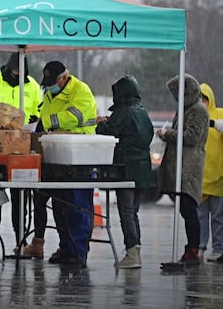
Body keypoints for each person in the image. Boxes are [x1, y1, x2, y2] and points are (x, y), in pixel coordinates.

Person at [0, 52, 44, 258]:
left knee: (21, 198)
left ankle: (21, 240)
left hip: (21, 146)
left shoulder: (32, 85)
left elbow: (39, 109)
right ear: (7, 68)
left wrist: (34, 117)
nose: (17, 75)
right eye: (15, 71)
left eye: (21, 72)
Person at [39, 61, 97, 265]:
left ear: (63, 78)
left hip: (80, 157)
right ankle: (66, 248)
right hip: (59, 156)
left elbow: (74, 117)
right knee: (61, 206)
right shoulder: (49, 94)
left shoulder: (80, 91)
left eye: (53, 82)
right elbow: (44, 117)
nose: (49, 86)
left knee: (77, 206)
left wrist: (48, 123)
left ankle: (78, 252)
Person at [95, 76, 153, 269]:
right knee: (133, 212)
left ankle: (131, 253)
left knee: (126, 212)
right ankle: (135, 251)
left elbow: (108, 131)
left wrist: (100, 123)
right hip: (143, 170)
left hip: (126, 168)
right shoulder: (143, 112)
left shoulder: (124, 112)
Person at [156, 74, 208, 265]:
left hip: (189, 166)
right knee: (186, 209)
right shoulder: (185, 108)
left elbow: (192, 137)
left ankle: (193, 249)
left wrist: (167, 134)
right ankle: (191, 248)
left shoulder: (198, 110)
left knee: (189, 207)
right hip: (182, 165)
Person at [197, 83, 223, 261]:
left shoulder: (219, 114)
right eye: (199, 98)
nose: (202, 102)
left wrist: (212, 123)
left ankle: (218, 248)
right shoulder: (194, 117)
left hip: (218, 177)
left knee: (218, 218)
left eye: (204, 99)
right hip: (200, 177)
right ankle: (199, 247)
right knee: (200, 217)